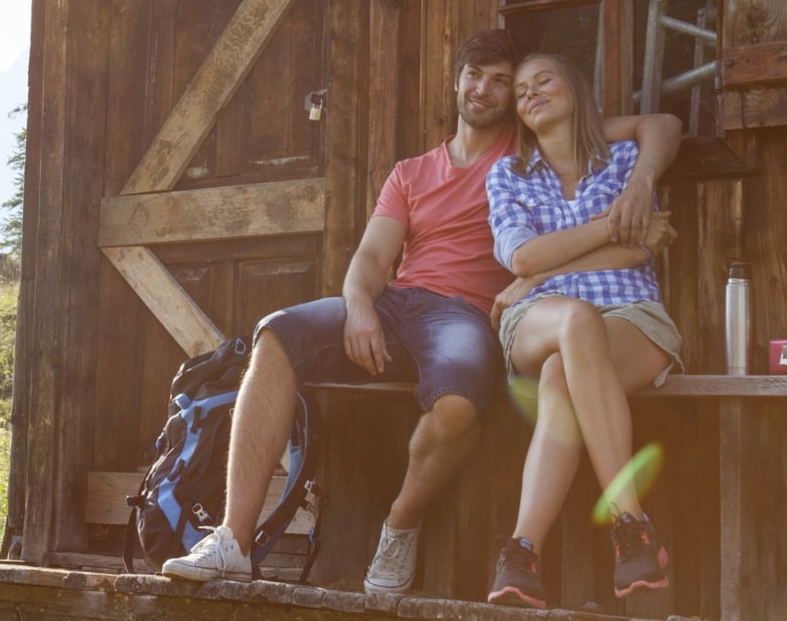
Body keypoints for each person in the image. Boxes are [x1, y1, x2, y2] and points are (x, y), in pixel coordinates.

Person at [160, 31, 681, 594]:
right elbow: (371, 258)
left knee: (457, 406)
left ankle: (400, 524)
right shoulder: (412, 172)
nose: (486, 89)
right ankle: (233, 541)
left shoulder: (531, 146)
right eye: (475, 75)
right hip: (395, 303)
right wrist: (360, 305)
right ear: (456, 82)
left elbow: (650, 128)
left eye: (501, 82)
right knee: (276, 336)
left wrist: (640, 186)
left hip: (462, 316)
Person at [483, 52, 685, 608]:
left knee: (560, 375)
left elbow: (638, 250)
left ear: (574, 88)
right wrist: (607, 230)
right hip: (538, 316)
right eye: (520, 91)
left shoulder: (623, 161)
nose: (529, 93)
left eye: (543, 80)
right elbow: (522, 257)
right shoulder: (508, 174)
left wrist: (638, 191)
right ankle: (632, 524)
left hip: (630, 315)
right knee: (574, 320)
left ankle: (521, 553)